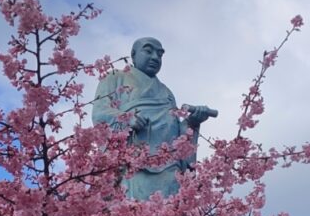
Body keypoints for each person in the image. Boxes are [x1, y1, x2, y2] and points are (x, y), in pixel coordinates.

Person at [93, 37, 217, 200]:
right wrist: (125, 119)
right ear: (133, 54)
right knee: (135, 215)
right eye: (148, 51)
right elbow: (99, 111)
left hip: (170, 166)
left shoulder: (166, 93)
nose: (155, 58)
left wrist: (192, 122)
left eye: (159, 55)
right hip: (135, 162)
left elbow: (174, 130)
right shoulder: (115, 78)